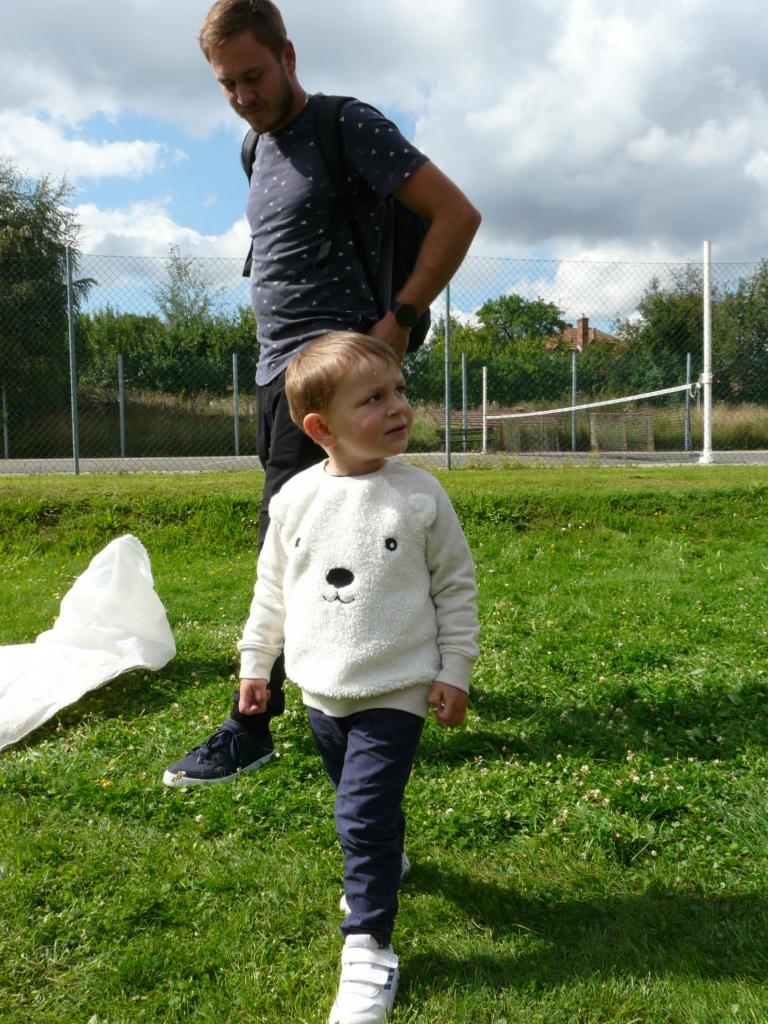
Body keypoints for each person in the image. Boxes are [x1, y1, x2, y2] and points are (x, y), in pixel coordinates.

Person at [163, 0, 481, 787]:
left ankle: (252, 723)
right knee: (315, 540)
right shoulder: (254, 148)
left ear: (289, 55)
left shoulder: (347, 125)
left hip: (340, 378)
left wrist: (400, 319)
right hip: (279, 378)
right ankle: (364, 684)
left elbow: (455, 213)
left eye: (253, 75)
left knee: (309, 541)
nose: (243, 95)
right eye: (227, 84)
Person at [236, 332, 478, 1023]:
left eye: (399, 390)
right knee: (358, 800)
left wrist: (455, 669)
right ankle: (385, 858)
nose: (397, 406)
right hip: (321, 690)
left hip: (397, 687)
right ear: (322, 429)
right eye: (373, 399)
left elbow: (455, 587)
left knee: (359, 815)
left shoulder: (421, 495)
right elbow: (272, 591)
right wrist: (256, 664)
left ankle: (369, 946)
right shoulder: (296, 500)